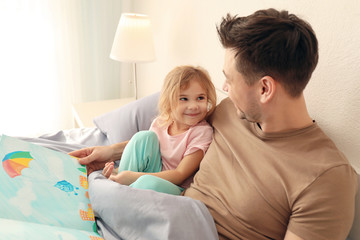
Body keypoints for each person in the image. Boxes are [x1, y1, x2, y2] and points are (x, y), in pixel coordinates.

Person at [70, 8, 358, 240]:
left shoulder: (326, 178)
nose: (223, 88)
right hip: (163, 214)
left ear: (265, 89)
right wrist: (109, 152)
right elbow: (173, 133)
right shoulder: (230, 111)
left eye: (230, 80)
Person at [101, 65, 217, 195]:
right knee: (143, 137)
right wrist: (118, 173)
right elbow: (143, 156)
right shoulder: (161, 122)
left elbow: (180, 174)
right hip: (152, 172)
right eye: (184, 99)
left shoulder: (201, 132)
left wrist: (133, 177)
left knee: (146, 183)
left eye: (200, 98)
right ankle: (118, 181)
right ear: (169, 102)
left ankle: (123, 190)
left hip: (175, 186)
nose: (193, 106)